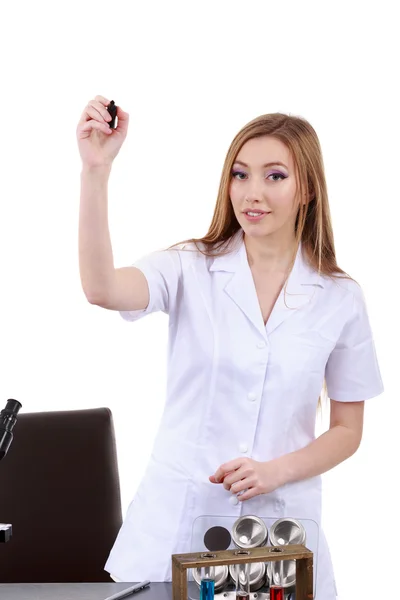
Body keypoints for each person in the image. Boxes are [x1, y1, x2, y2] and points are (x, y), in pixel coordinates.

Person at [76, 95, 383, 599]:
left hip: (276, 531)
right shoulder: (188, 267)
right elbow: (101, 288)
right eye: (240, 174)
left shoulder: (340, 298)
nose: (252, 192)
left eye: (274, 176)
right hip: (178, 523)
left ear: (307, 188)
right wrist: (96, 171)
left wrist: (273, 472)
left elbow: (348, 431)